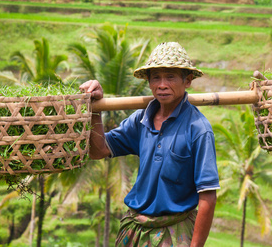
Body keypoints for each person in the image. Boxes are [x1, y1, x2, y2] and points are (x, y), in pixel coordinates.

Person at [80, 42, 220, 247]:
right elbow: (98, 150)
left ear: (187, 80)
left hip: (174, 231)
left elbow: (208, 197)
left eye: (170, 76)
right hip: (136, 230)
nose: (162, 84)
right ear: (149, 81)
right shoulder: (140, 120)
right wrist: (94, 109)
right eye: (156, 77)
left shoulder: (198, 129)